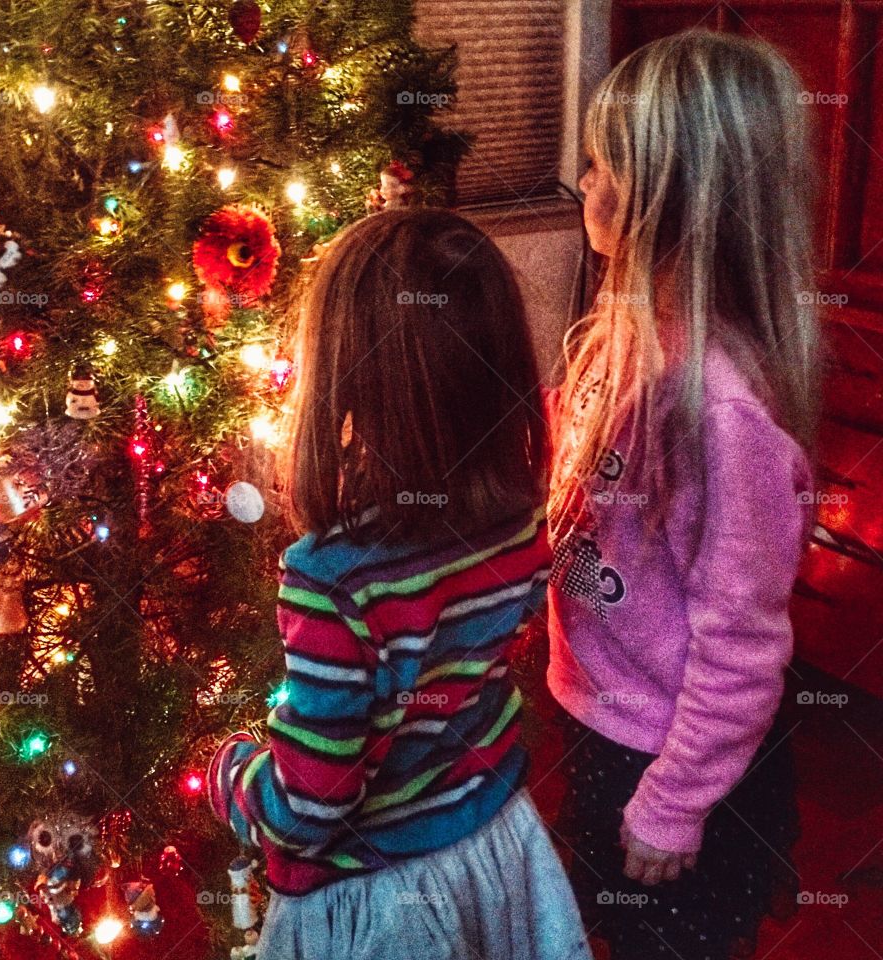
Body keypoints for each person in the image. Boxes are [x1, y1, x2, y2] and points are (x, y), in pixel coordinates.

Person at [209, 208, 590, 960]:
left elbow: (309, 808)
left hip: (380, 902)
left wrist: (231, 773)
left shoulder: (331, 582)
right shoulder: (521, 521)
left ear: (345, 384)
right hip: (493, 843)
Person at [545, 29, 819, 960]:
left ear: (677, 195)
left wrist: (673, 803)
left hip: (678, 760)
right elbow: (587, 458)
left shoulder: (722, 414)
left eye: (605, 164)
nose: (585, 183)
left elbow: (742, 645)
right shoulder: (627, 339)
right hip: (598, 719)